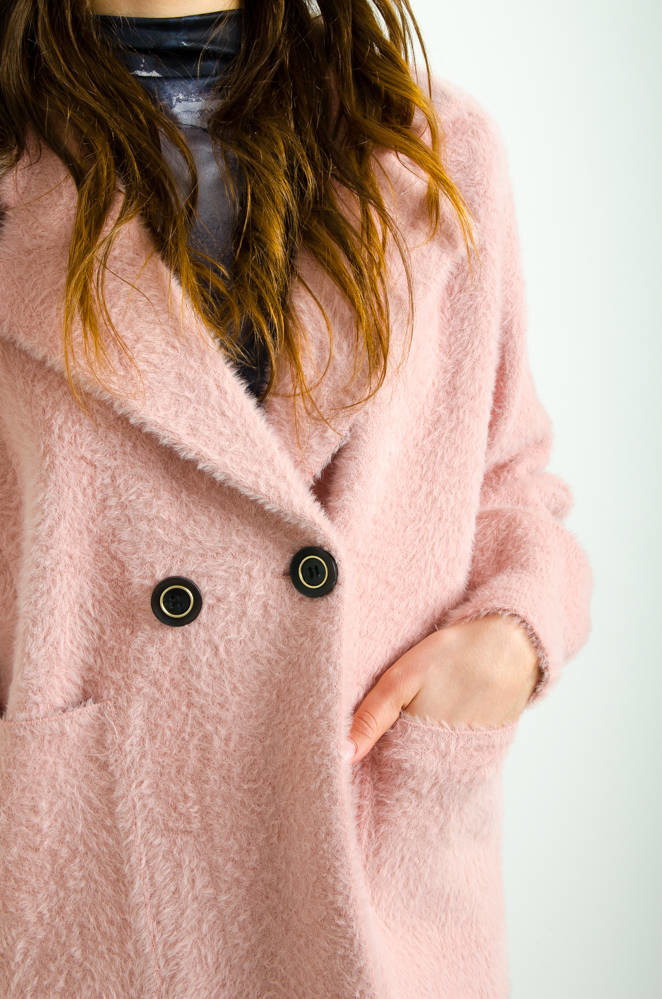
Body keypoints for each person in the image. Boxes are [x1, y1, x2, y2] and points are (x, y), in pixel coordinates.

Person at [0, 2, 594, 997]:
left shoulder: (430, 149)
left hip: (369, 857)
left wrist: (514, 632)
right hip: (90, 878)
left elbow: (509, 478)